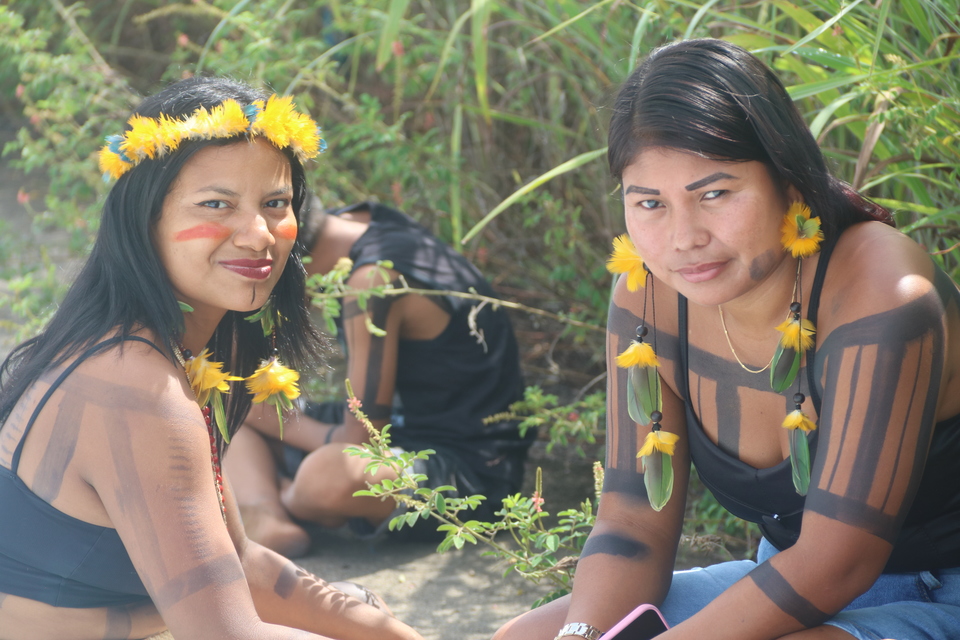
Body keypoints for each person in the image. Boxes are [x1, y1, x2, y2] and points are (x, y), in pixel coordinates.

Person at [495, 38, 960, 640]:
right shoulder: (647, 295)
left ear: (790, 184)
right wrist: (579, 635)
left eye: (714, 194)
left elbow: (837, 562)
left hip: (939, 591)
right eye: (650, 203)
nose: (683, 238)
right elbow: (633, 524)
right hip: (788, 587)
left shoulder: (883, 291)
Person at [0, 76, 423, 640]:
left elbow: (238, 562)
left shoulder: (181, 350)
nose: (258, 235)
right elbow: (227, 634)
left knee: (359, 607)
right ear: (145, 219)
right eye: (216, 204)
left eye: (275, 204)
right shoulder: (136, 386)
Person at [224, 197, 531, 557]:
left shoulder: (370, 284)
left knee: (324, 474)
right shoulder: (359, 223)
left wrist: (273, 420)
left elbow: (360, 439)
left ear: (290, 259)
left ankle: (288, 498)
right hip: (398, 428)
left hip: (467, 473)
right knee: (230, 411)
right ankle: (265, 513)